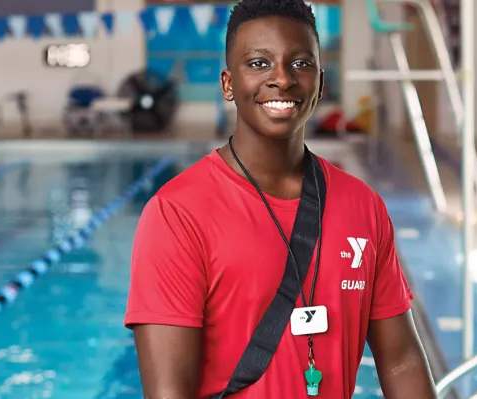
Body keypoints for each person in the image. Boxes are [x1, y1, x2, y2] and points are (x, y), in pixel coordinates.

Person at [123, 1, 437, 398]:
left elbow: (401, 359)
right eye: (258, 64)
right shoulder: (177, 214)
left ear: (321, 83)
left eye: (301, 63)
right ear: (228, 83)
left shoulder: (363, 206)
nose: (282, 79)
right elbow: (169, 393)